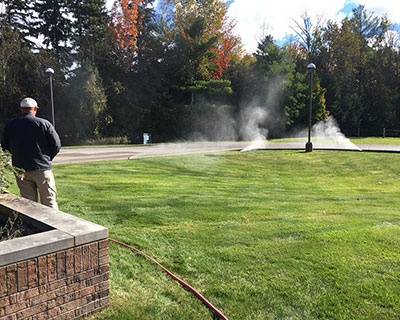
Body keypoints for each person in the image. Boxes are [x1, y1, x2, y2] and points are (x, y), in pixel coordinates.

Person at [1, 97, 61, 209]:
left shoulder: (10, 125)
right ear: (34, 109)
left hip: (21, 169)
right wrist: (47, 158)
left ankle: (32, 226)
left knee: (29, 204)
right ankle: (53, 226)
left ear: (21, 109)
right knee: (49, 201)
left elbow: (5, 147)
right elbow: (56, 144)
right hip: (42, 168)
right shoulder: (44, 123)